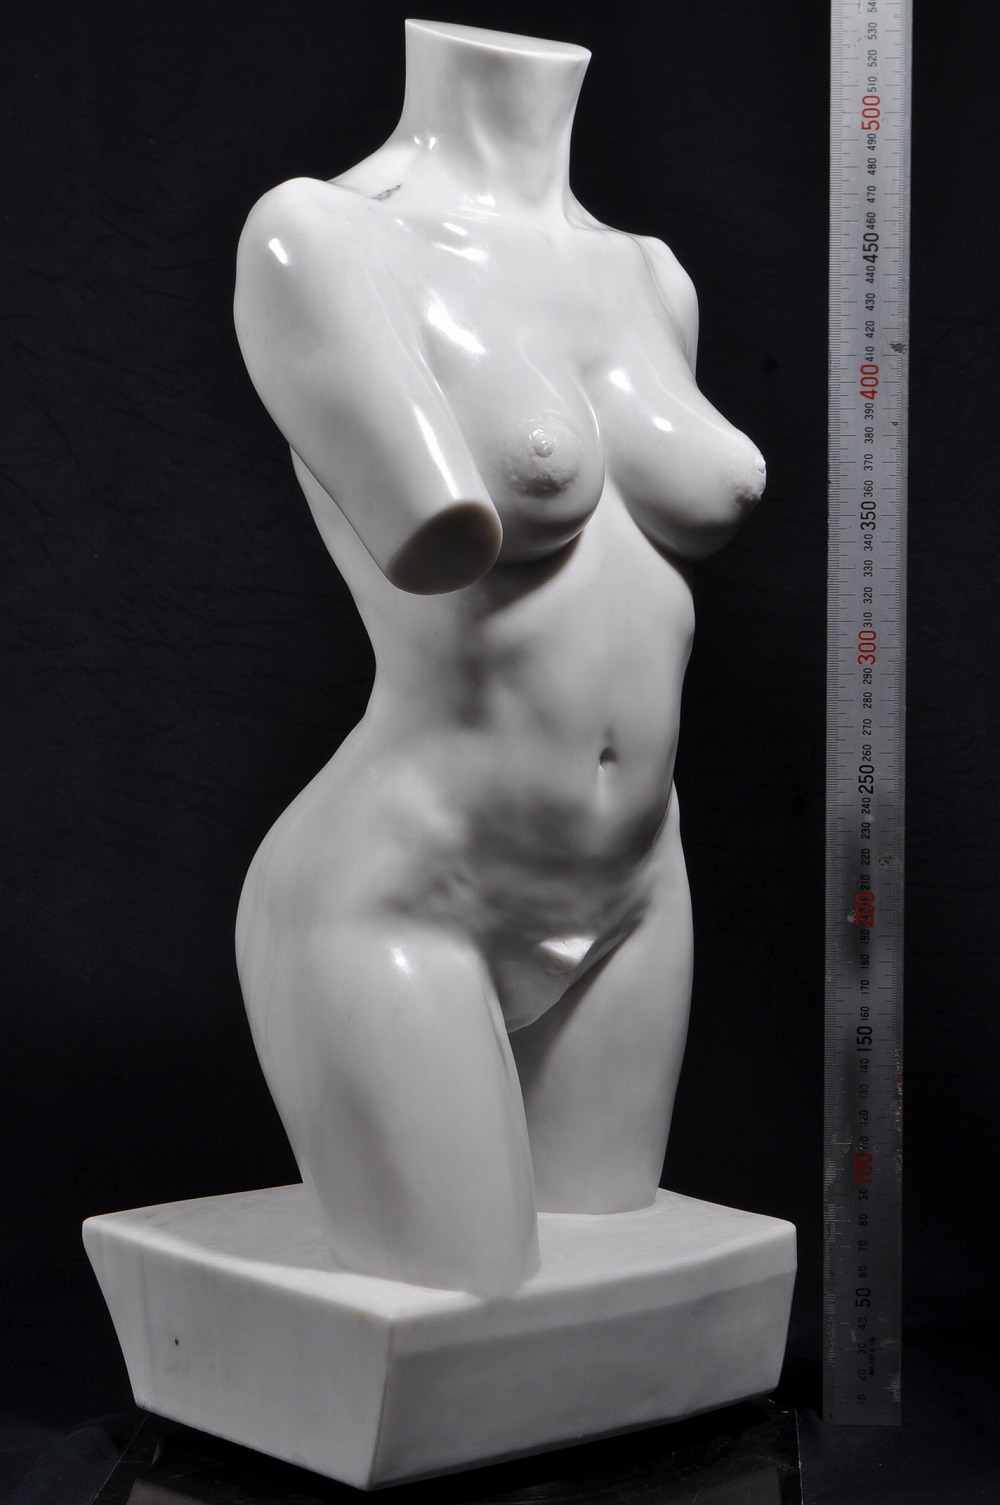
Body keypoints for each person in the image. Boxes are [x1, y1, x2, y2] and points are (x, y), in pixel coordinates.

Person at [234, 20, 765, 1297]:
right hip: (412, 877)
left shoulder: (655, 279)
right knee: (468, 1303)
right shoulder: (319, 239)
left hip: (642, 883)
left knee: (618, 1293)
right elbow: (430, 534)